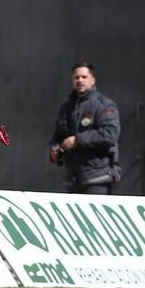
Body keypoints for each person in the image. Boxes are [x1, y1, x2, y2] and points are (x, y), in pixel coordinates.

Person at [49, 61, 121, 195]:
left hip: (97, 178)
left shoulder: (103, 105)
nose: (80, 80)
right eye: (76, 77)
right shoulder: (67, 107)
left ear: (92, 80)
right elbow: (58, 136)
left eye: (84, 77)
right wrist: (55, 149)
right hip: (73, 180)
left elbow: (110, 134)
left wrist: (78, 140)